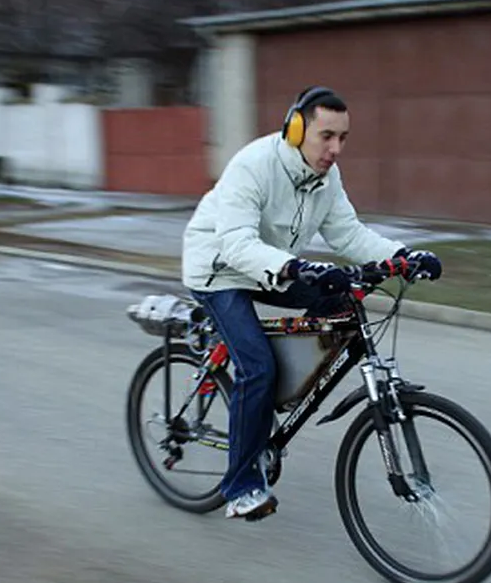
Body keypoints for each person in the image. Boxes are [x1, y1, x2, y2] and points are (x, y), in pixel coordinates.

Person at [181, 85, 442, 521]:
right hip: (219, 269)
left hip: (273, 266)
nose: (336, 148)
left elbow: (349, 235)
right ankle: (241, 484)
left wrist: (401, 257)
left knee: (341, 299)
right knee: (257, 366)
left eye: (343, 138)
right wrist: (297, 268)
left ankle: (270, 399)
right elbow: (236, 243)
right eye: (327, 136)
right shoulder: (253, 166)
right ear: (297, 128)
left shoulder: (326, 178)